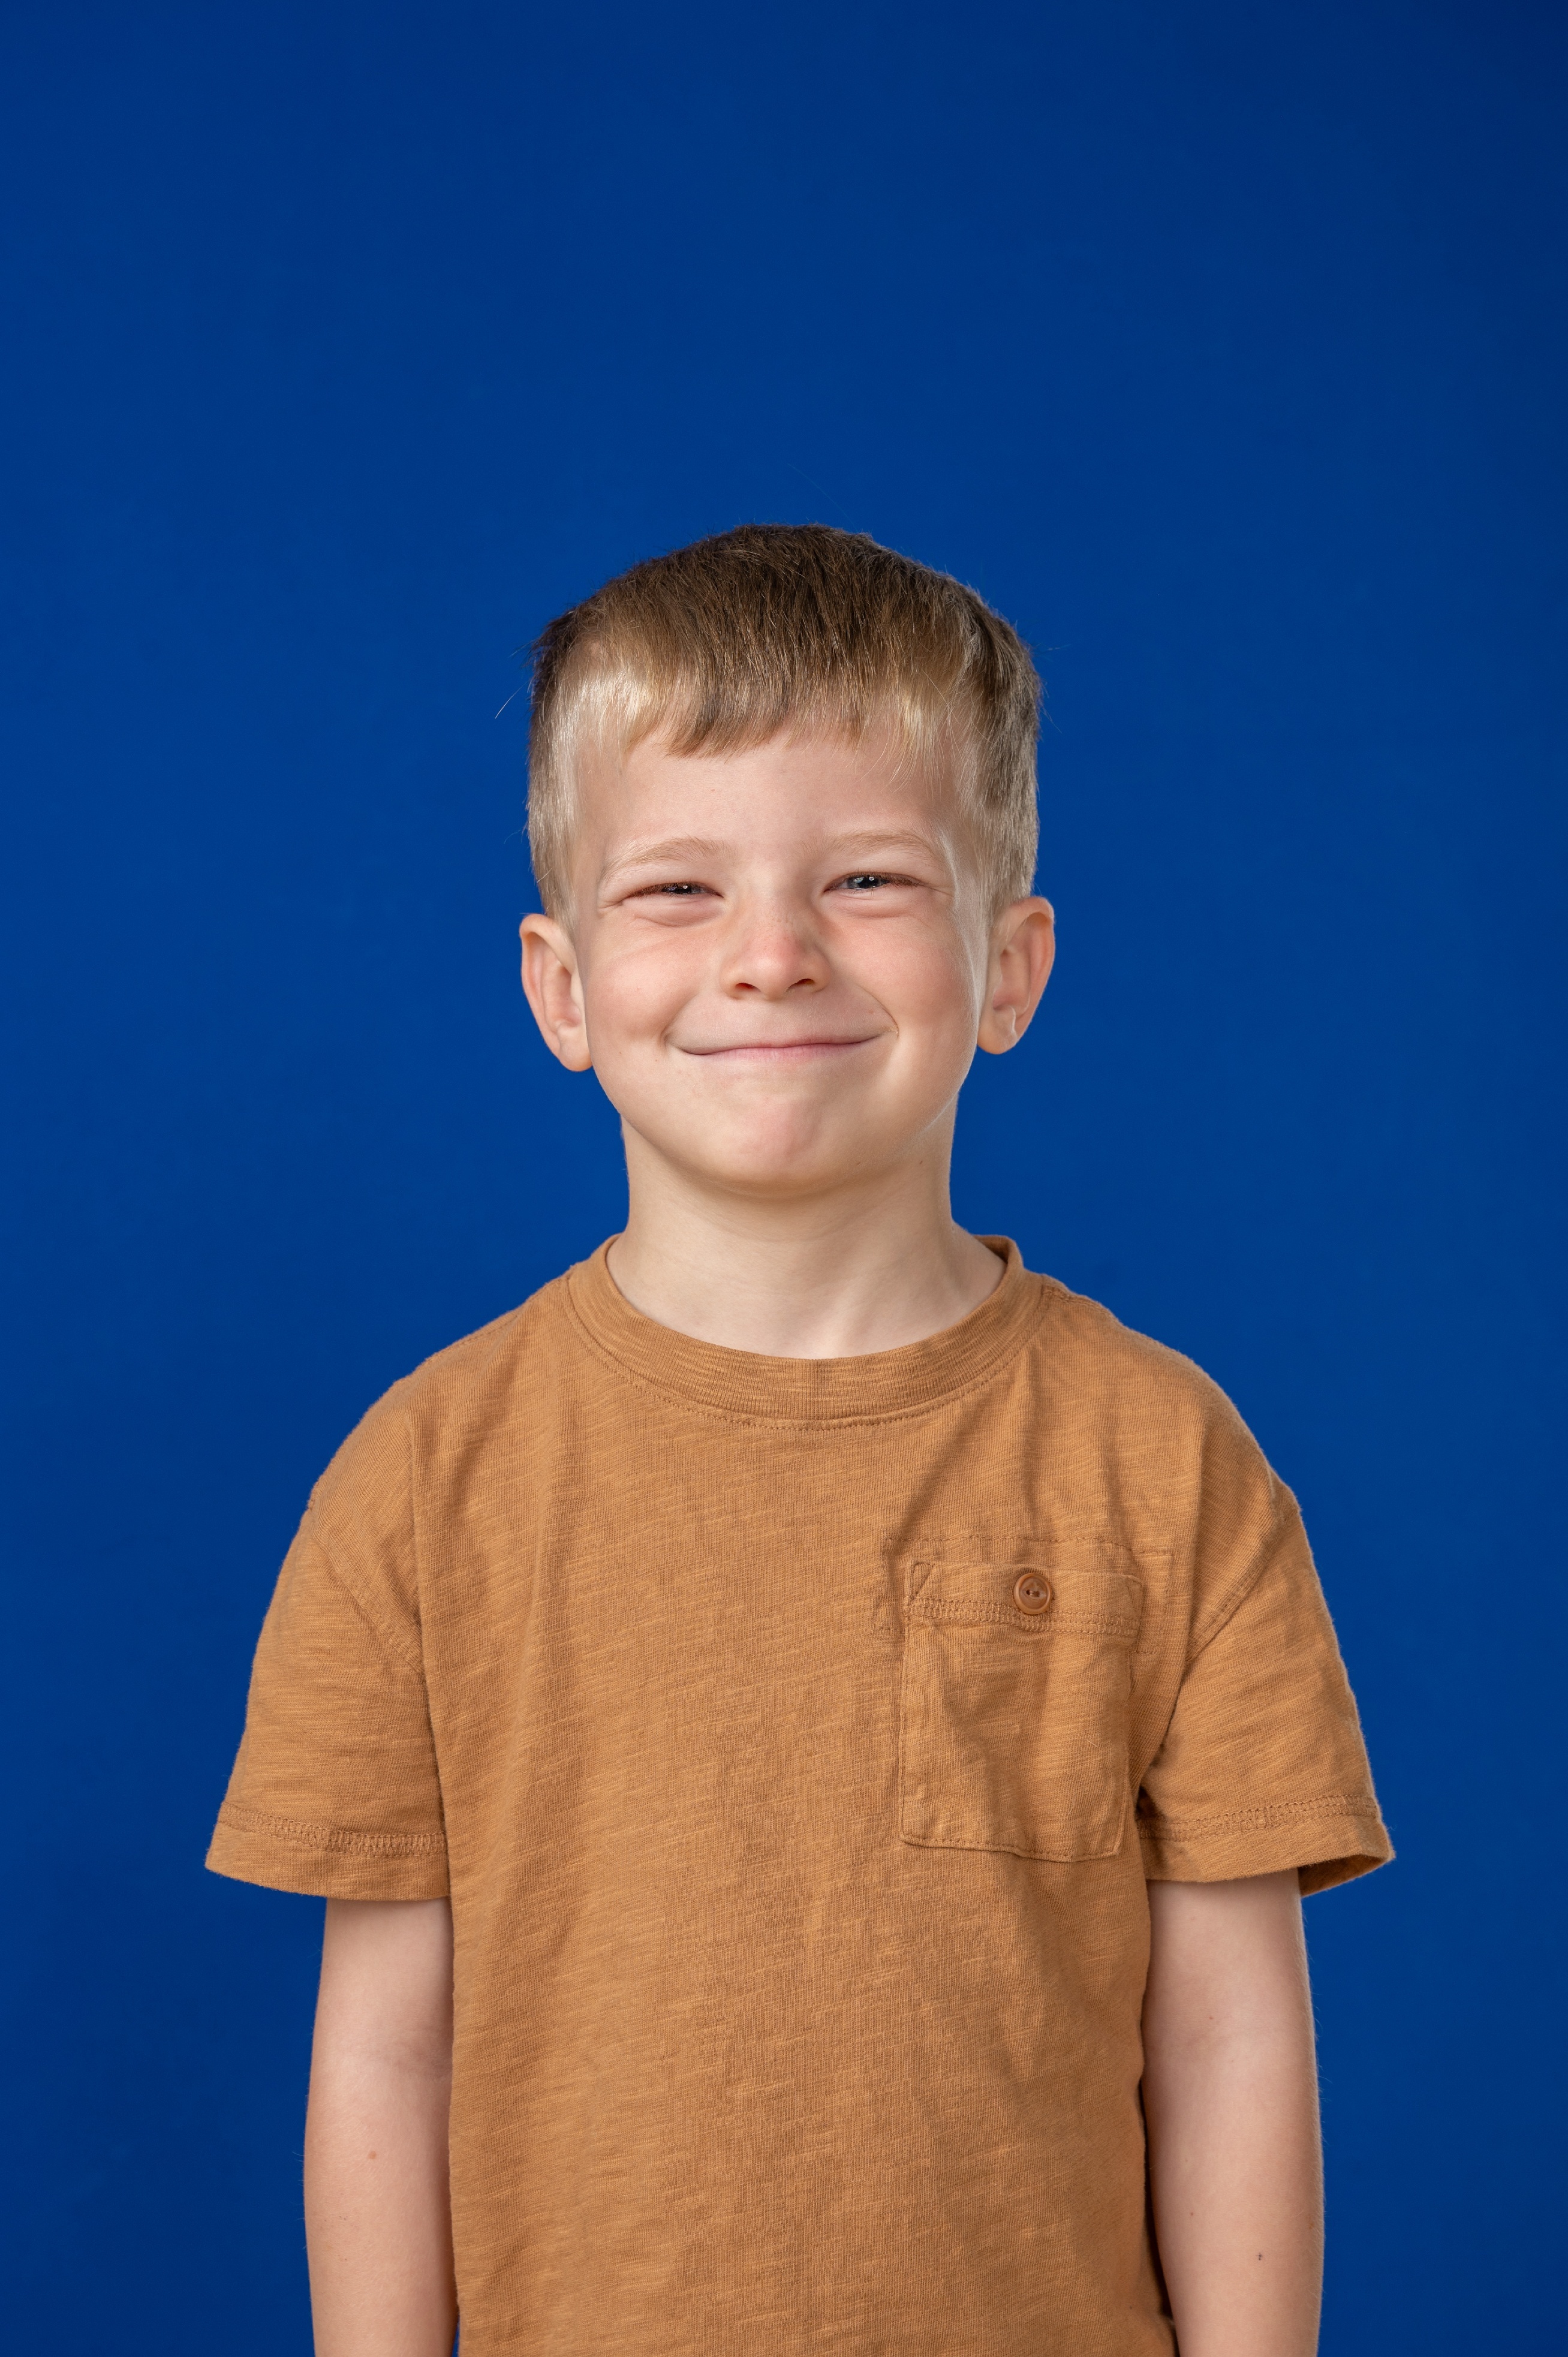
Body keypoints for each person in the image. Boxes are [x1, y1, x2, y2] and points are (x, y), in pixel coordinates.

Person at [207, 523, 1391, 2357]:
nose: (772, 955)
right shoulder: (424, 1483)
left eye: (866, 878)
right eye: (678, 888)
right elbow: (385, 2047)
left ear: (1010, 964)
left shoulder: (1167, 1463)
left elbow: (1231, 2030)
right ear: (562, 987)